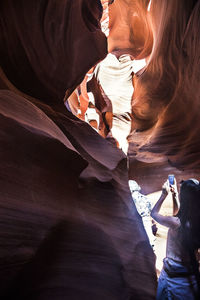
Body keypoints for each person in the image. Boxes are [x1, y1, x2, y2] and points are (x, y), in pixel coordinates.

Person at [151, 178, 200, 299]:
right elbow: (180, 215)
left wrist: (163, 194)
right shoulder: (195, 221)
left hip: (173, 276)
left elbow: (154, 214)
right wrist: (175, 196)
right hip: (189, 277)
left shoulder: (176, 223)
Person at [129, 180, 156, 247]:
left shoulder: (129, 199)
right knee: (148, 234)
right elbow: (152, 211)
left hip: (136, 222)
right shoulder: (146, 198)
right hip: (147, 220)